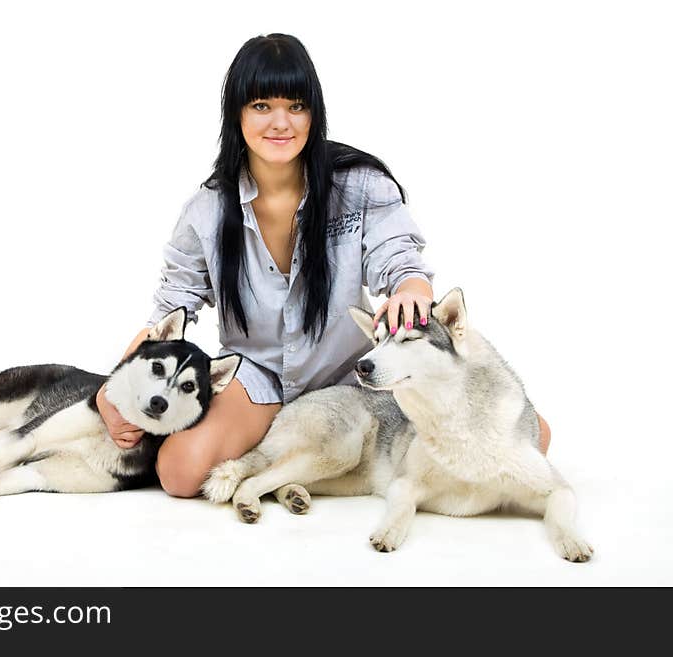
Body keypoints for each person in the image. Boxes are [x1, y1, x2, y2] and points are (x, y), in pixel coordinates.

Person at [95, 33, 551, 497]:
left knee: (536, 437)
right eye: (260, 106)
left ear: (315, 112)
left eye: (295, 106)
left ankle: (308, 460)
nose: (280, 123)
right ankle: (285, 446)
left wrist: (411, 291)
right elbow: (170, 310)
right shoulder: (207, 210)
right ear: (236, 113)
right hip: (257, 377)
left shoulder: (361, 185)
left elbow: (401, 263)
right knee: (179, 474)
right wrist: (111, 390)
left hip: (353, 375)